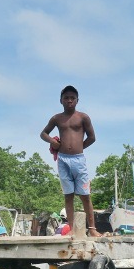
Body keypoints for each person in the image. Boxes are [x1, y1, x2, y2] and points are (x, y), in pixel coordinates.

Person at [40, 85, 102, 237]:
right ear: (61, 100)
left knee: (85, 195)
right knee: (68, 195)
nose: (69, 101)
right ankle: (73, 229)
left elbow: (92, 137)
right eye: (66, 98)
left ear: (77, 100)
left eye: (72, 98)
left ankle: (92, 228)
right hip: (62, 160)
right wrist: (53, 142)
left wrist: (79, 148)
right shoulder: (57, 118)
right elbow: (43, 133)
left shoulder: (83, 117)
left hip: (78, 159)